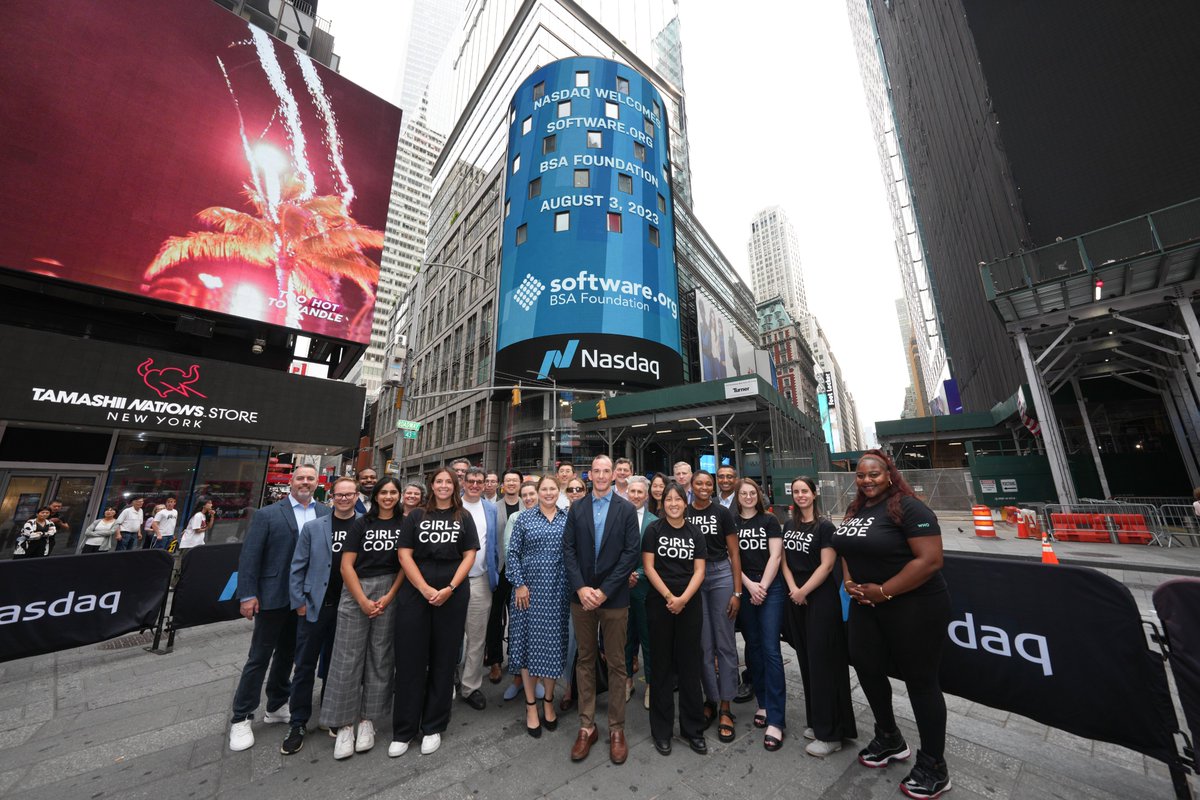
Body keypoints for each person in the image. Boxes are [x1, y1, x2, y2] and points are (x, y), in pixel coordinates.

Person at [837, 450, 951, 799]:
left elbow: (930, 561)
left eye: (873, 474)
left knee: (921, 682)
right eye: (860, 475)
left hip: (913, 606)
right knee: (867, 668)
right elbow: (846, 549)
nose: (867, 480)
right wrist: (849, 581)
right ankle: (889, 737)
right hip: (866, 605)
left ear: (888, 474)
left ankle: (934, 766)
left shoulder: (910, 507)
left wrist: (885, 591)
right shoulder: (857, 509)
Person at [228, 465, 329, 752]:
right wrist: (247, 595)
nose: (306, 482)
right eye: (301, 478)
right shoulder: (267, 514)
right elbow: (249, 558)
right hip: (273, 596)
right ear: (291, 482)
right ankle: (242, 716)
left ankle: (276, 705)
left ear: (317, 482)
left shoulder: (324, 513)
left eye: (311, 478)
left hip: (305, 600)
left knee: (288, 654)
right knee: (258, 657)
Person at [392, 468, 479, 757]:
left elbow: (469, 555)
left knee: (444, 659)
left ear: (456, 487)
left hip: (452, 594)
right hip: (417, 592)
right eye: (439, 481)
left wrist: (450, 588)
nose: (443, 486)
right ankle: (404, 729)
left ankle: (433, 726)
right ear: (432, 485)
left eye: (449, 482)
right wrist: (425, 588)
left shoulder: (463, 516)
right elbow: (404, 554)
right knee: (410, 659)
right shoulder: (416, 515)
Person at [562, 454, 641, 765]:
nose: (602, 475)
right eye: (597, 471)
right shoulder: (577, 507)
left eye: (607, 471)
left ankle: (617, 729)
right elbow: (568, 548)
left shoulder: (625, 508)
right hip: (581, 597)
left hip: (614, 598)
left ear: (614, 475)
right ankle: (586, 726)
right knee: (585, 659)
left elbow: (630, 553)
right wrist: (582, 588)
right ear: (590, 474)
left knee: (618, 663)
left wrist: (605, 590)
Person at [320, 477, 405, 760]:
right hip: (357, 591)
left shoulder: (404, 523)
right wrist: (362, 600)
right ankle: (343, 725)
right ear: (376, 495)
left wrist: (389, 596)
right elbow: (346, 565)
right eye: (384, 492)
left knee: (380, 657)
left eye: (394, 492)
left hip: (389, 590)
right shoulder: (361, 523)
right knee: (347, 658)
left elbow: (406, 564)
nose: (389, 497)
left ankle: (368, 721)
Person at [282, 476, 361, 755]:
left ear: (356, 496)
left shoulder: (363, 525)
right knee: (304, 665)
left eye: (349, 495)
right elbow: (297, 566)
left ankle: (331, 714)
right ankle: (298, 721)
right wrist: (299, 602)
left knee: (337, 664)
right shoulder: (315, 527)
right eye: (339, 495)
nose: (343, 499)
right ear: (332, 497)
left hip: (349, 607)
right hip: (316, 606)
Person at [781, 476, 857, 758]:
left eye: (805, 491)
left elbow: (827, 566)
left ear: (814, 494)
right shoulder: (789, 525)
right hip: (796, 598)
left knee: (825, 664)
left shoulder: (825, 527)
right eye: (796, 491)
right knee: (807, 661)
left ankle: (832, 734)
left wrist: (803, 591)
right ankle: (817, 721)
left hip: (820, 600)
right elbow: (784, 562)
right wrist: (793, 589)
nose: (800, 495)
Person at [642, 482, 708, 756]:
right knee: (661, 667)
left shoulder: (695, 531)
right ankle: (662, 730)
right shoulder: (653, 530)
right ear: (662, 503)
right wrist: (670, 596)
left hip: (689, 605)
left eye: (677, 499)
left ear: (685, 502)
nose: (672, 503)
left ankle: (693, 729)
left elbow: (700, 570)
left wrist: (683, 599)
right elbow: (648, 566)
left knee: (690, 666)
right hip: (660, 603)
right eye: (668, 499)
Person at [507, 475, 571, 737]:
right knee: (527, 646)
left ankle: (548, 703)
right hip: (527, 592)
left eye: (552, 489)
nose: (547, 493)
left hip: (558, 590)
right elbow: (512, 554)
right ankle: (531, 705)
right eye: (543, 489)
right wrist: (520, 584)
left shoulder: (568, 519)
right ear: (536, 492)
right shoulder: (523, 519)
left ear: (559, 491)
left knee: (553, 647)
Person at [687, 470, 743, 732]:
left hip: (720, 574)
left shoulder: (722, 513)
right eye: (699, 483)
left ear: (713, 487)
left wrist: (737, 592)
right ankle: (710, 698)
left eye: (708, 483)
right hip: (695, 578)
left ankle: (726, 705)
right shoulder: (684, 512)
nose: (704, 487)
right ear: (692, 485)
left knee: (725, 643)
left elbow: (734, 552)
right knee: (703, 645)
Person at [734, 478, 785, 749]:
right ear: (737, 497)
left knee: (771, 649)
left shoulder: (769, 521)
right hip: (745, 585)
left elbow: (775, 556)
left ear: (758, 495)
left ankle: (777, 719)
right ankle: (763, 703)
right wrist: (749, 586)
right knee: (752, 647)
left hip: (769, 587)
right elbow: (732, 558)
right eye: (743, 493)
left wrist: (762, 587)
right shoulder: (731, 522)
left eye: (752, 492)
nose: (748, 497)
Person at [458, 467, 501, 711]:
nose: (475, 485)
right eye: (471, 481)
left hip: (481, 580)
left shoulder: (491, 509)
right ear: (463, 482)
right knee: (450, 637)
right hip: (452, 582)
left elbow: (493, 543)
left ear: (486, 484)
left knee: (476, 638)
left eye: (479, 481)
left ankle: (470, 686)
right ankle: (447, 682)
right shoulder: (453, 506)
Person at [501, 481, 544, 702]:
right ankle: (518, 680)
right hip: (521, 586)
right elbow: (510, 552)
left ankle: (535, 679)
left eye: (531, 494)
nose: (528, 498)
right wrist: (519, 584)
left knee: (539, 636)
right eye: (524, 495)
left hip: (545, 586)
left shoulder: (551, 516)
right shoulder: (515, 518)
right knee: (520, 636)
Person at [488, 469, 526, 685]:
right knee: (495, 616)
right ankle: (494, 660)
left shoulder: (528, 505)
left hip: (520, 571)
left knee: (518, 616)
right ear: (503, 484)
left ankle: (517, 660)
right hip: (499, 569)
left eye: (515, 480)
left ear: (520, 483)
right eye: (508, 480)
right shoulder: (494, 508)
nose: (511, 483)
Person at [558, 474, 590, 712]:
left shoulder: (592, 515)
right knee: (568, 640)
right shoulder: (559, 516)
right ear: (566, 493)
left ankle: (587, 687)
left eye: (580, 488)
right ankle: (569, 687)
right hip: (563, 586)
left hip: (588, 587)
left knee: (586, 641)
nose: (576, 492)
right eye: (571, 489)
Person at [623, 476, 656, 710]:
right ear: (627, 493)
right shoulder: (618, 518)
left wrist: (639, 574)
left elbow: (656, 557)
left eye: (640, 492)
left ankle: (651, 685)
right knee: (625, 638)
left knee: (648, 638)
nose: (635, 495)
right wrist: (624, 575)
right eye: (632, 491)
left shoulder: (654, 522)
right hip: (621, 589)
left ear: (646, 495)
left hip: (645, 589)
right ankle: (626, 680)